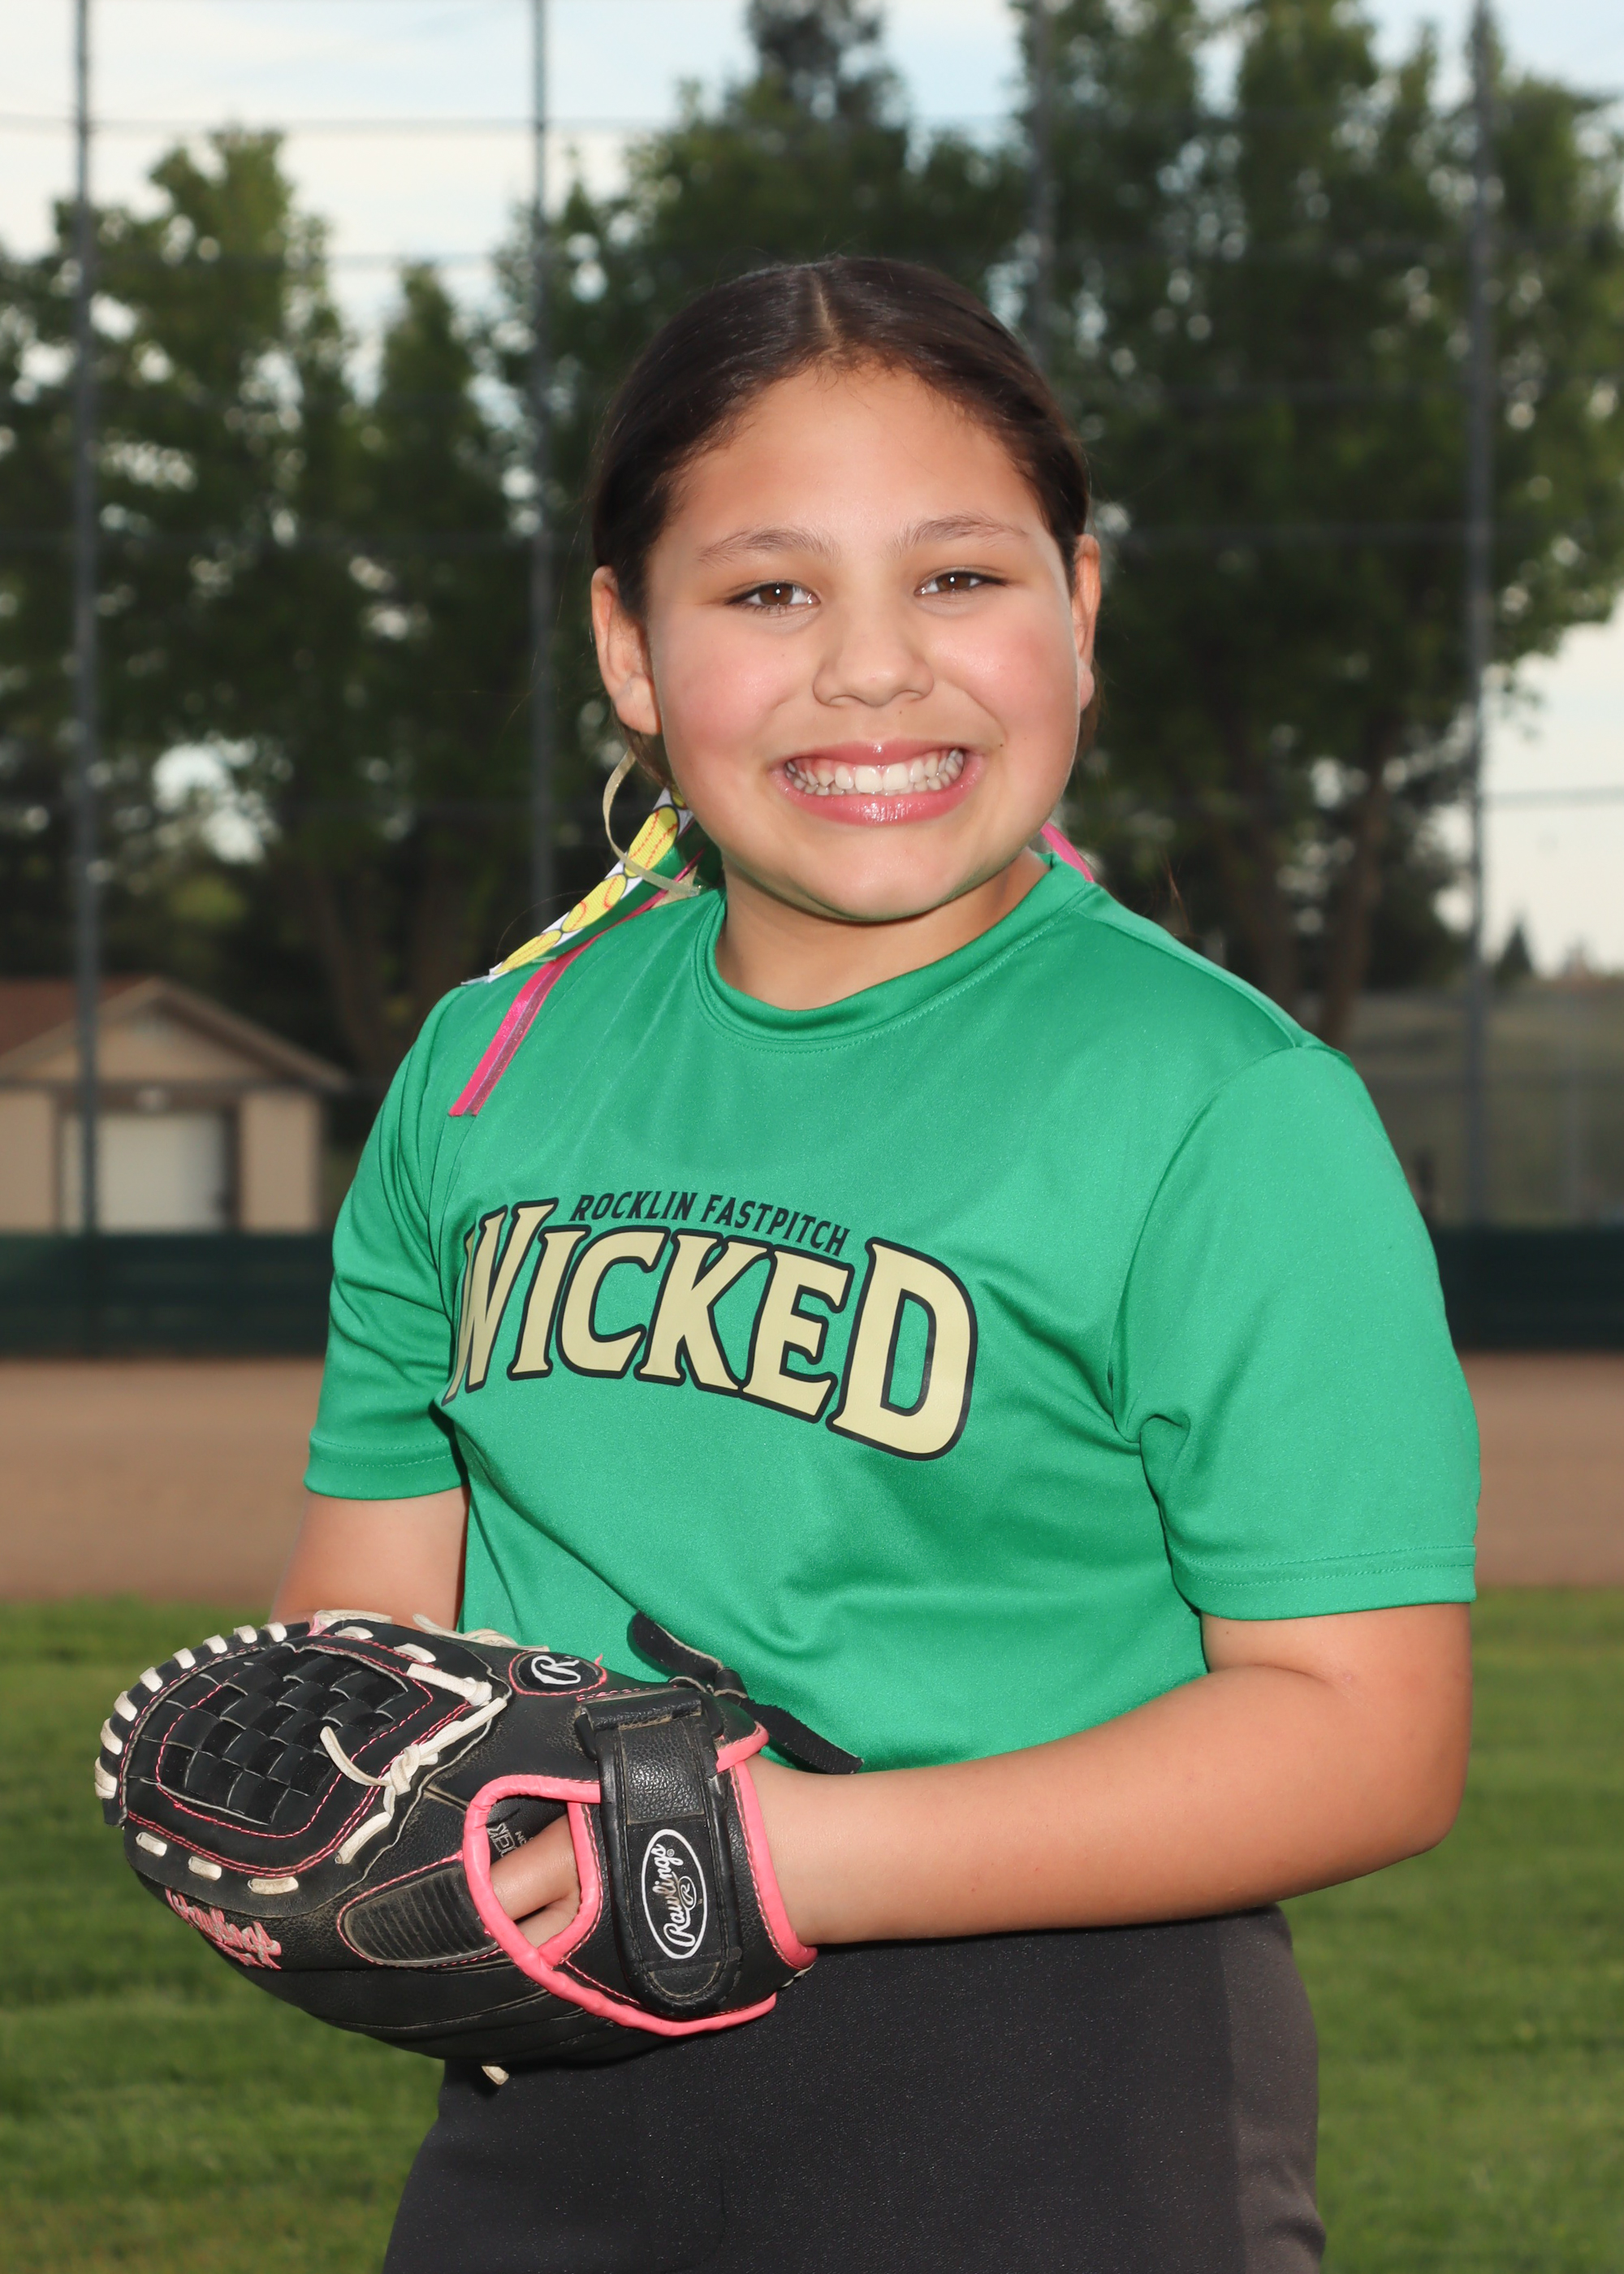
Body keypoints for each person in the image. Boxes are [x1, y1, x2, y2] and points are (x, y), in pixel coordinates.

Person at [274, 257, 1478, 2274]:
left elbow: (1369, 1726)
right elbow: (374, 1607)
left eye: (957, 577)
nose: (871, 669)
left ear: (1079, 607)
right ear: (631, 649)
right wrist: (351, 1815)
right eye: (768, 591)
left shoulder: (1220, 1103)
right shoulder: (488, 1068)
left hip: (1055, 2096)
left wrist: (772, 1847)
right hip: (551, 2091)